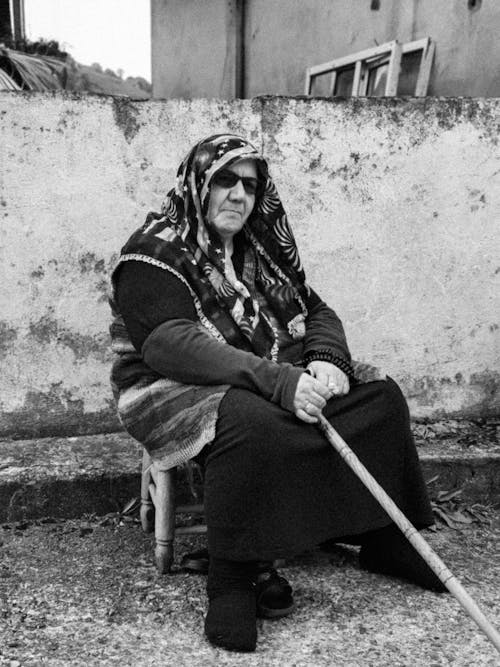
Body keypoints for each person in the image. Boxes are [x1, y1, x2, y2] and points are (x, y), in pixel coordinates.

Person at [110, 134, 446, 653]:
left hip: (272, 373)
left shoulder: (260, 248)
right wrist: (280, 382)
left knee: (379, 397)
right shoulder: (152, 252)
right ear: (198, 182)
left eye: (250, 184)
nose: (239, 195)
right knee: (250, 421)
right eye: (225, 179)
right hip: (173, 386)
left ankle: (382, 537)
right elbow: (168, 344)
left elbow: (316, 312)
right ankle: (232, 579)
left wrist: (325, 361)